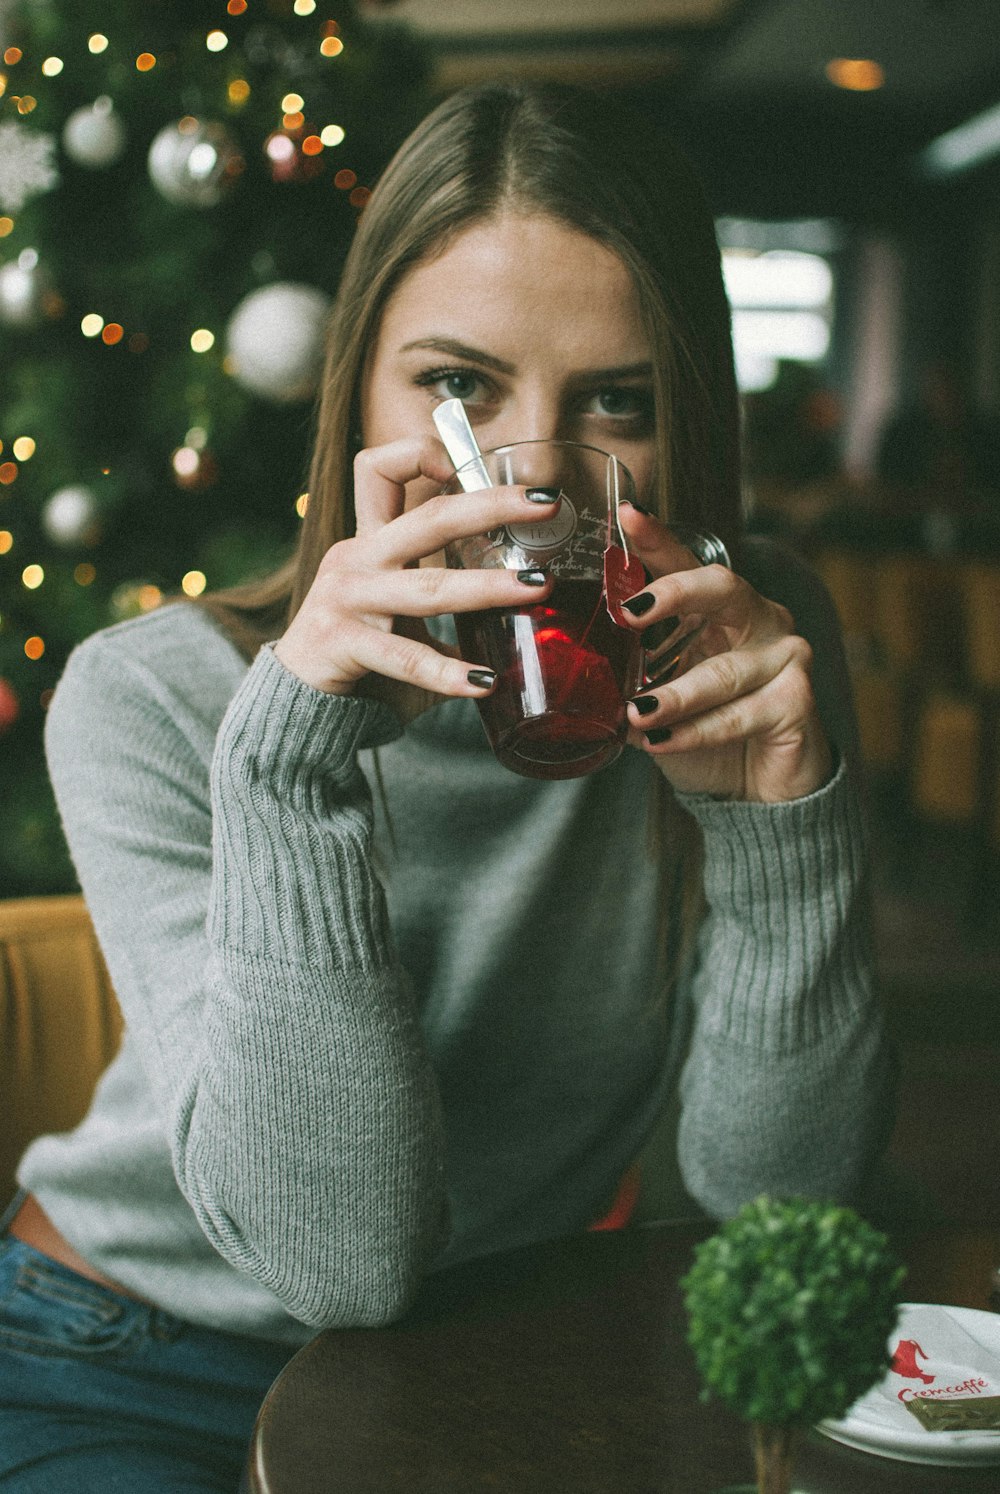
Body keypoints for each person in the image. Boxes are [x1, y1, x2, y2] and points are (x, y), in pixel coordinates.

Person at [0, 81, 895, 1490]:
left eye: (616, 401)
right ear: (358, 390)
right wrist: (290, 779)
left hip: (478, 1356)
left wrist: (781, 831)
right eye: (459, 385)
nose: (537, 490)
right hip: (124, 1347)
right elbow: (337, 1259)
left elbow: (779, 1214)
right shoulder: (155, 696)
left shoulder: (747, 653)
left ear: (688, 420)